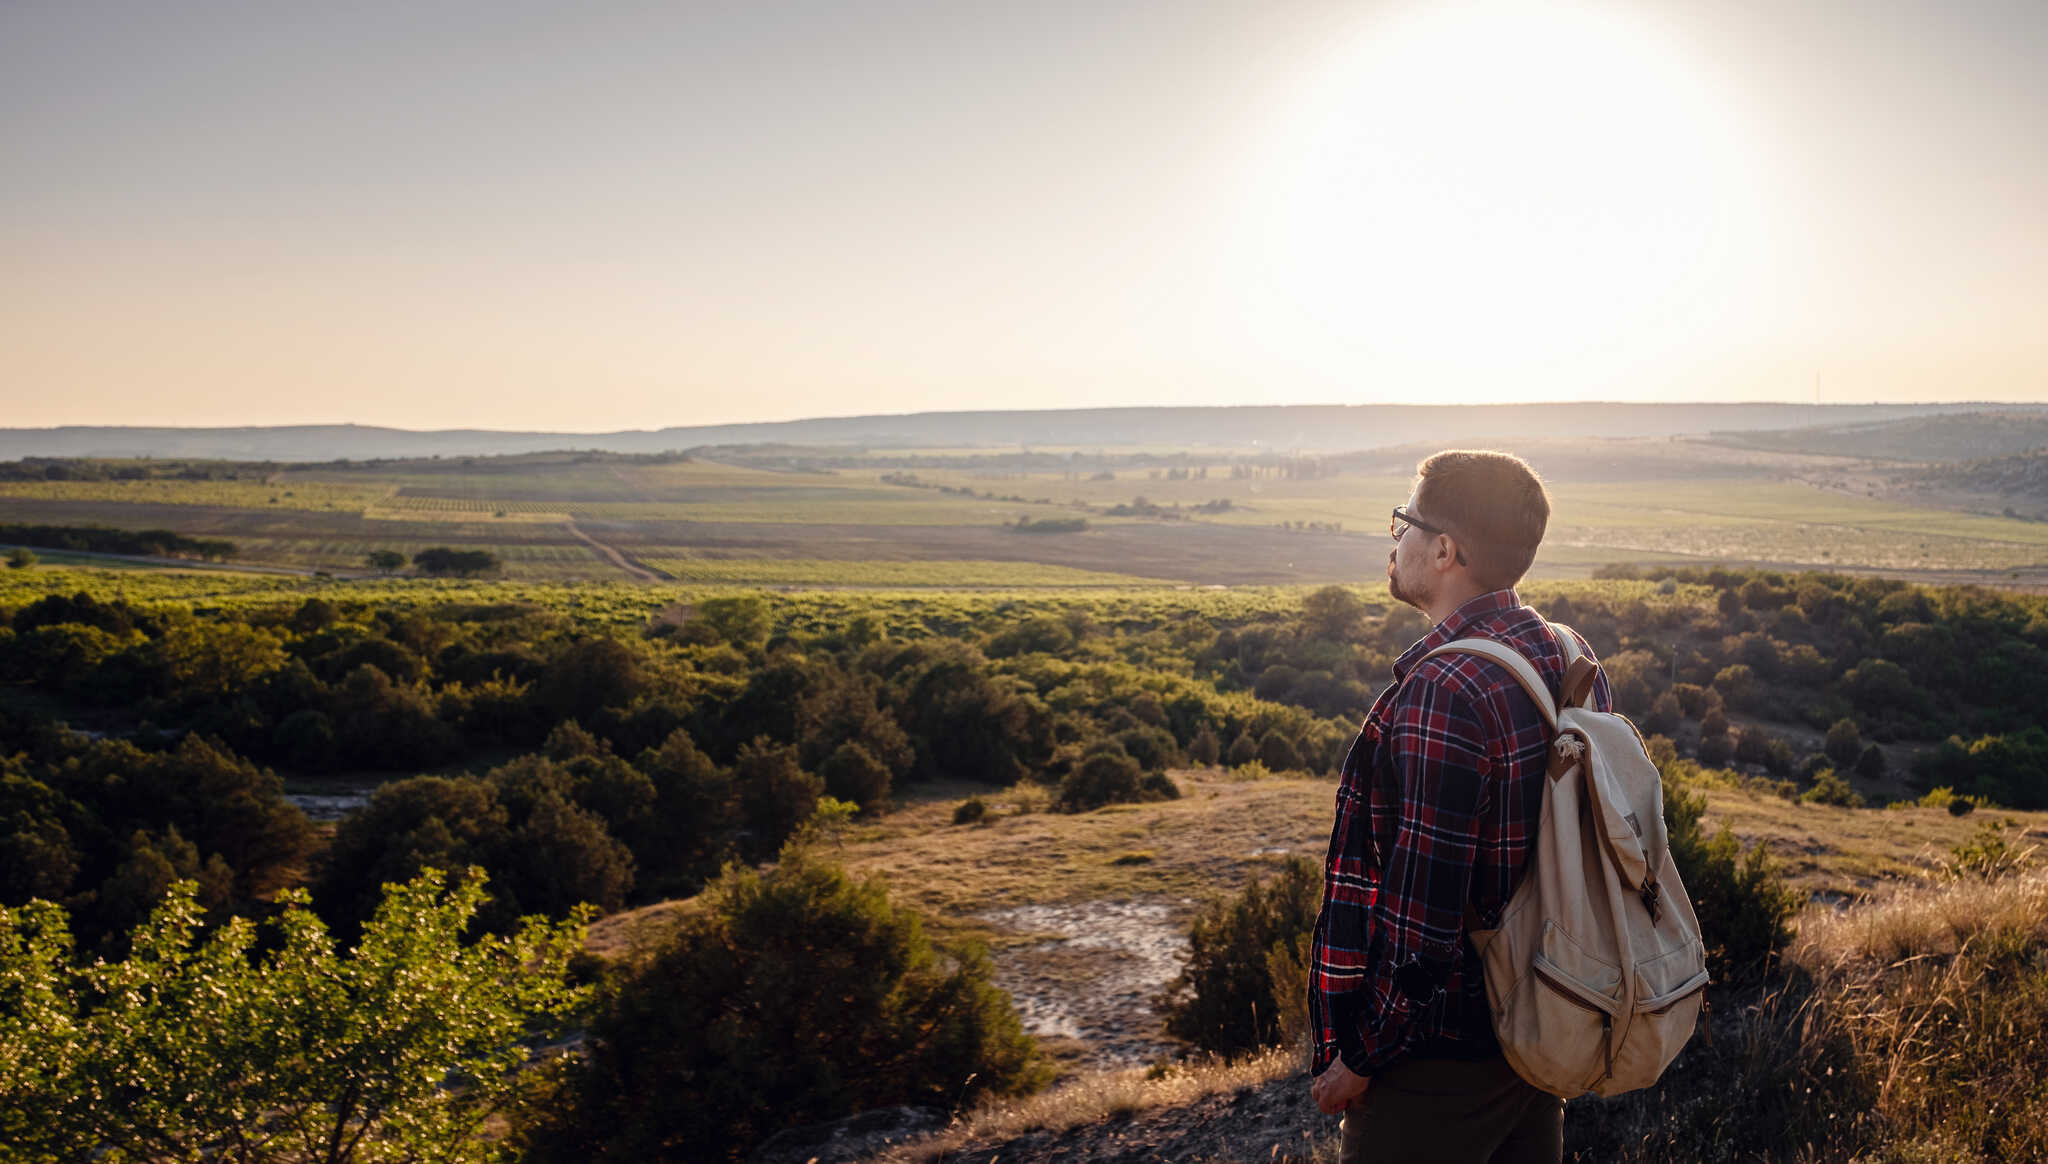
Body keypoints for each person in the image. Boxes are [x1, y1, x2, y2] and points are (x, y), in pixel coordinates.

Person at [1305, 449, 1611, 1164]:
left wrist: (1363, 1055)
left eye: (1404, 522)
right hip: (1537, 1030)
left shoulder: (1446, 691)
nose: (1394, 540)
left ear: (1445, 551)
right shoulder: (1564, 653)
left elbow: (1423, 923)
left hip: (1438, 1063)